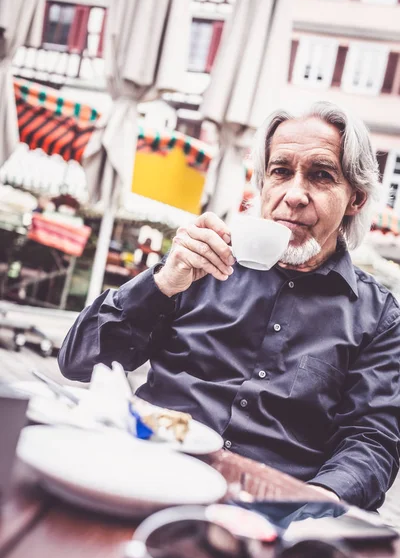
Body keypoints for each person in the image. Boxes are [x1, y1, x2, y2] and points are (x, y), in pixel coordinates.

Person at [58, 101, 400, 510]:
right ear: (262, 182)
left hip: (267, 513)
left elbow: (372, 439)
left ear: (355, 198)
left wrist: (316, 500)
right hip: (145, 474)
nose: (294, 195)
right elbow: (78, 361)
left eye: (321, 175)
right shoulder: (201, 262)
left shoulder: (379, 317)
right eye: (280, 171)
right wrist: (163, 282)